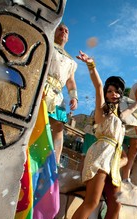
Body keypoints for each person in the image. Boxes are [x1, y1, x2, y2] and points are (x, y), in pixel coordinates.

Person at [54, 51, 137, 219]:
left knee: (115, 204)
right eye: (110, 90)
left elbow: (132, 108)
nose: (112, 93)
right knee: (91, 202)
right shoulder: (101, 112)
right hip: (99, 156)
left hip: (113, 163)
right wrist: (92, 66)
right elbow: (98, 87)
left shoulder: (120, 118)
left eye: (117, 91)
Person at [43, 23, 78, 166]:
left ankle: (55, 161)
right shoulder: (47, 45)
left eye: (66, 31)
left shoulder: (71, 61)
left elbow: (70, 81)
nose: (63, 31)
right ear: (54, 31)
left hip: (58, 93)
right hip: (43, 86)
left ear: (68, 38)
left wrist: (74, 97)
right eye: (60, 29)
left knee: (58, 126)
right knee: (38, 119)